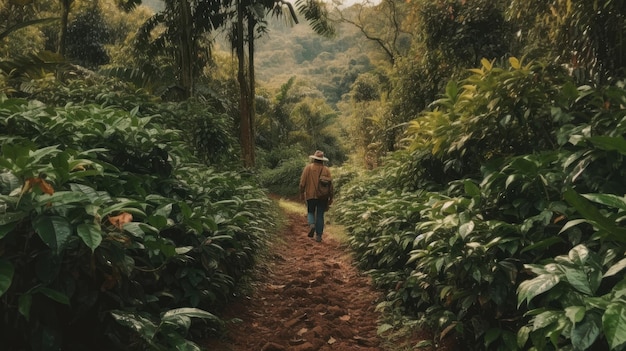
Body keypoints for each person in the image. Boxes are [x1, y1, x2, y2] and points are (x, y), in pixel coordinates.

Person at [299, 150, 333, 242]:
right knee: (320, 215)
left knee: (310, 211)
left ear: (314, 159)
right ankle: (318, 236)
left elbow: (302, 183)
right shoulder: (326, 170)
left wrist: (302, 193)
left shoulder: (308, 168)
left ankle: (312, 225)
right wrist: (331, 198)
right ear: (322, 160)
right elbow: (330, 185)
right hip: (323, 196)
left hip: (310, 195)